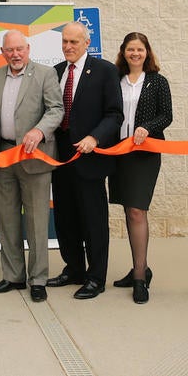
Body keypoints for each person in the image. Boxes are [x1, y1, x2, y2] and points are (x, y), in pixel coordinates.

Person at [45, 21, 123, 300]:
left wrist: (95, 137)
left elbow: (115, 114)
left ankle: (96, 277)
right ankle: (74, 269)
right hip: (60, 157)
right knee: (65, 218)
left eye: (74, 42)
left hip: (90, 157)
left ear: (87, 43)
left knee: (93, 220)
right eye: (64, 41)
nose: (68, 47)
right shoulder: (55, 72)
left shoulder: (105, 71)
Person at [0, 30, 63, 303]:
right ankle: (13, 276)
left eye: (19, 49)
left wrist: (39, 131)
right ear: (2, 52)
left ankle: (38, 279)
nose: (15, 54)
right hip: (4, 156)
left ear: (28, 49)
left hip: (34, 158)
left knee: (37, 222)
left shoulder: (45, 74)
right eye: (10, 50)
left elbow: (56, 109)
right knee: (6, 220)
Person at [107, 32, 172, 304]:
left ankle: (139, 278)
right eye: (131, 49)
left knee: (137, 210)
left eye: (140, 49)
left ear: (147, 52)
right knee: (127, 209)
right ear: (123, 52)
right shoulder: (115, 80)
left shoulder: (157, 81)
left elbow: (166, 115)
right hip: (118, 153)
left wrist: (147, 127)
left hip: (144, 154)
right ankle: (139, 265)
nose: (135, 53)